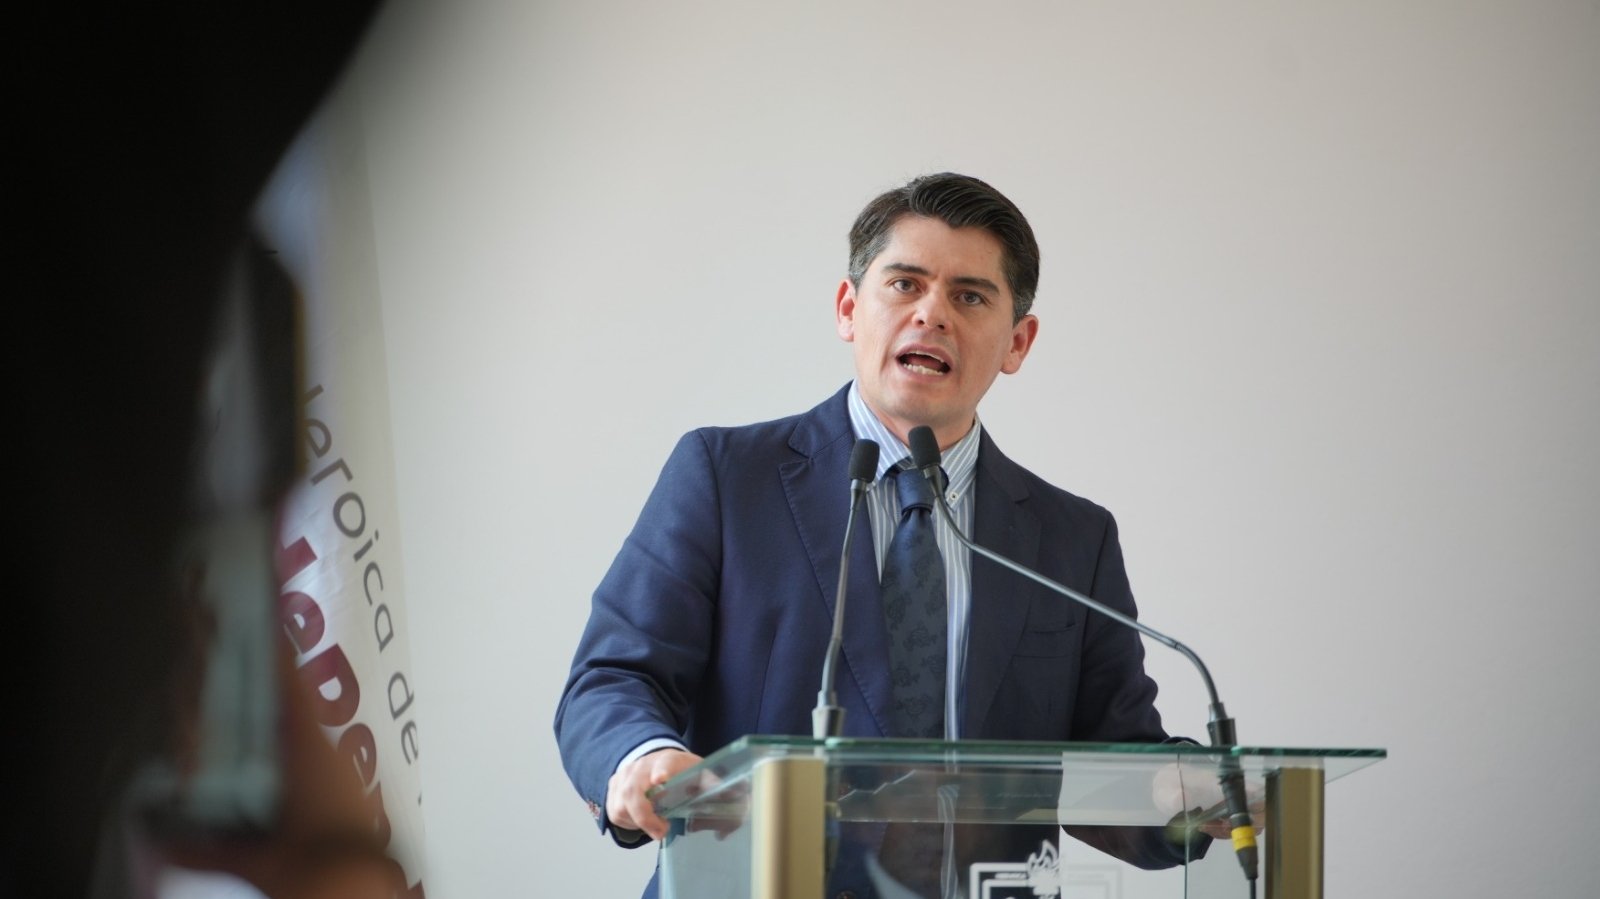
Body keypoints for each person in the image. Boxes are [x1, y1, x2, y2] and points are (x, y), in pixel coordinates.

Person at [555, 173, 1204, 898]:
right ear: (848, 308)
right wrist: (643, 757)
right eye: (904, 284)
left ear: (1017, 342)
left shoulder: (1072, 538)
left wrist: (1196, 793)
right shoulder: (726, 477)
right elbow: (614, 677)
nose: (932, 314)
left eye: (970, 296)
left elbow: (1115, 761)